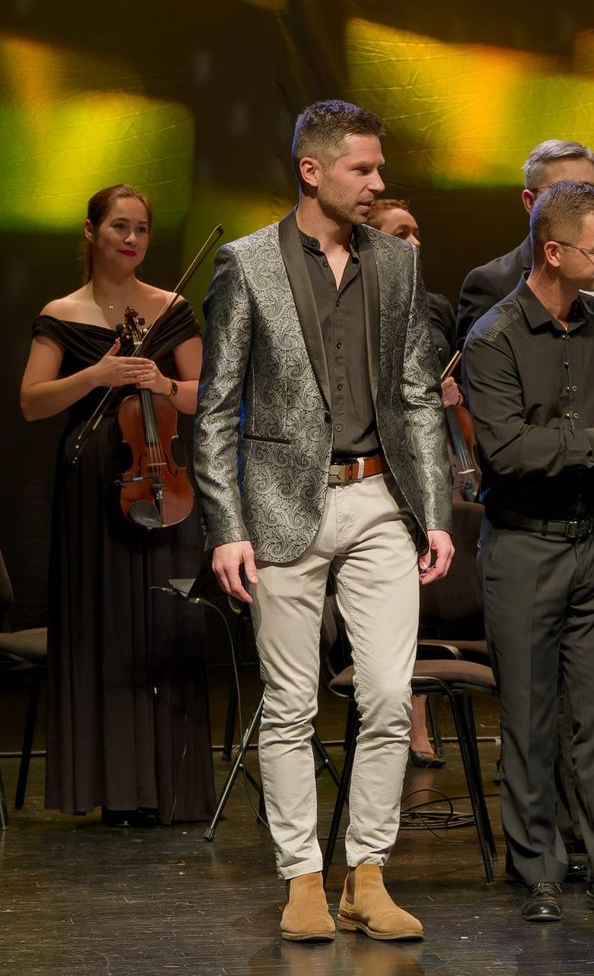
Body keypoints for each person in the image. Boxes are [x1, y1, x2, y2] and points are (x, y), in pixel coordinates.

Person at [193, 100, 454, 943]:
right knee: (290, 701)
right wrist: (227, 525)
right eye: (362, 169)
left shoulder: (396, 263)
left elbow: (417, 394)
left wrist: (435, 509)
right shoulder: (247, 264)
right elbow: (216, 408)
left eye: (379, 168)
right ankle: (302, 878)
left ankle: (367, 876)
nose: (378, 182)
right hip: (280, 501)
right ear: (312, 171)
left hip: (379, 498)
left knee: (387, 695)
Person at [463, 180, 594, 925]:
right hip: (523, 547)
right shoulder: (494, 338)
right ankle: (538, 869)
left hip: (593, 542)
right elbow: (509, 450)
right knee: (530, 717)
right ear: (553, 252)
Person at [20, 184, 212, 827]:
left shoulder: (170, 308)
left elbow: (208, 397)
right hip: (91, 487)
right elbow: (32, 402)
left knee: (164, 622)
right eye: (119, 227)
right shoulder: (61, 312)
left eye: (142, 229)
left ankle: (171, 787)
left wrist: (164, 382)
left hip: (164, 478)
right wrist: (95, 376)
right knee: (100, 626)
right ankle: (114, 788)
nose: (132, 239)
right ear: (91, 232)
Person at [365, 197, 460, 768]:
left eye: (417, 231)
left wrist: (450, 393)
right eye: (402, 233)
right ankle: (396, 721)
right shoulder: (361, 301)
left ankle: (416, 721)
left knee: (423, 593)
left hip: (431, 454)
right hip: (379, 463)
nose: (416, 242)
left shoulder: (436, 306)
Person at [457, 140, 594, 362]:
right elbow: (478, 371)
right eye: (563, 192)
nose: (579, 205)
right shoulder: (493, 284)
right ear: (530, 201)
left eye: (589, 192)